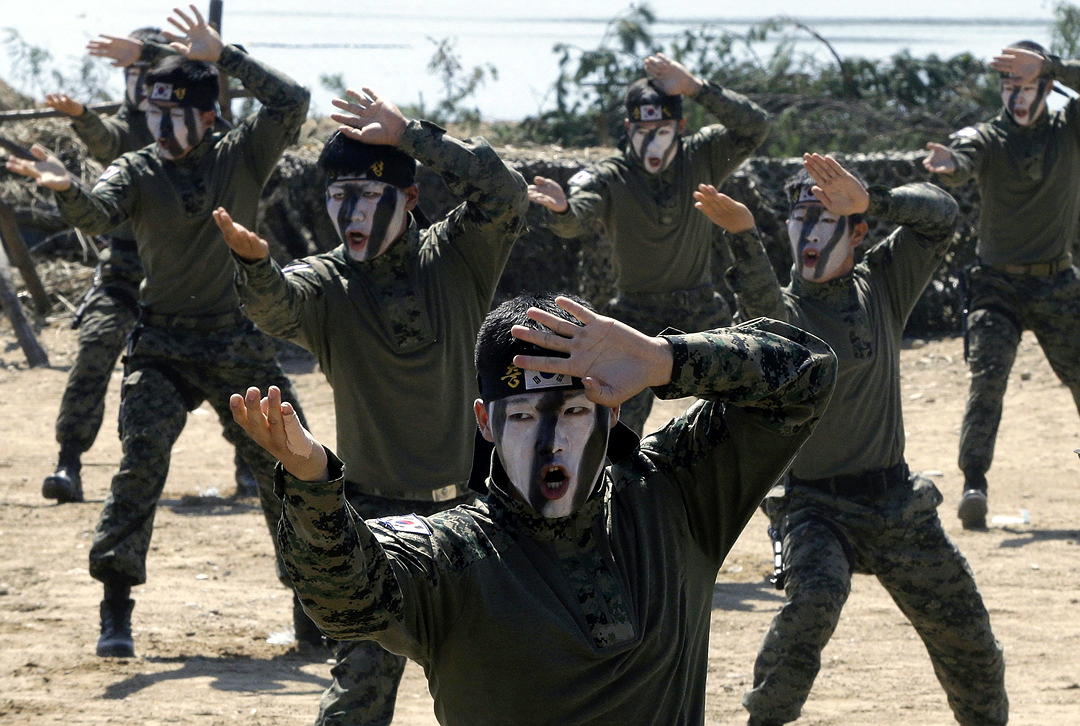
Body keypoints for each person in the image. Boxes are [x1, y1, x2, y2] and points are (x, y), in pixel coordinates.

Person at [232, 291, 835, 725]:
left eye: (573, 412)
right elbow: (345, 602)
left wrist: (664, 360)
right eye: (523, 418)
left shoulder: (675, 494)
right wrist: (313, 483)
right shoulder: (454, 554)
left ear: (613, 411)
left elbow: (808, 373)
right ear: (485, 422)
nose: (551, 442)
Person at [212, 84, 528, 726]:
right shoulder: (329, 283)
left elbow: (505, 193)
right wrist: (254, 267)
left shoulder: (458, 253)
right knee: (360, 686)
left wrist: (410, 135)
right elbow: (278, 306)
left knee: (496, 684)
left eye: (367, 195)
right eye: (337, 196)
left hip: (477, 506)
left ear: (409, 199)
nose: (349, 212)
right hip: (377, 517)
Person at [5, 5, 311, 659]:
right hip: (163, 344)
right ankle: (116, 610)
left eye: (176, 114)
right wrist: (65, 189)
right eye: (151, 112)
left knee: (294, 471)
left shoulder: (243, 153)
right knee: (139, 466)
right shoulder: (139, 169)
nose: (160, 126)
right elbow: (97, 209)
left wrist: (223, 57)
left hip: (238, 342)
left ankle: (313, 606)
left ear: (209, 114)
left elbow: (292, 101)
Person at [696, 154, 1008, 725]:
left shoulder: (883, 282)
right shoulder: (788, 311)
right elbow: (765, 315)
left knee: (969, 639)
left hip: (896, 503)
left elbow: (944, 215)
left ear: (857, 232)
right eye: (799, 221)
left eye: (825, 220)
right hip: (815, 508)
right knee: (812, 603)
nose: (807, 235)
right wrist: (744, 238)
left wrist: (875, 201)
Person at [39, 26, 255, 503]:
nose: (138, 85)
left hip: (200, 276)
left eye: (146, 71)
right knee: (96, 346)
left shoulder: (201, 125)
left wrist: (154, 56)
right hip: (126, 269)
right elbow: (107, 141)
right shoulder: (134, 126)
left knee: (245, 363)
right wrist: (80, 115)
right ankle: (69, 460)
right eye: (131, 74)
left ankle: (251, 467)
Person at [527, 52, 771, 435]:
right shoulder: (613, 173)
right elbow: (579, 216)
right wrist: (562, 211)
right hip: (636, 314)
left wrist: (695, 87)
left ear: (680, 126)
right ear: (629, 128)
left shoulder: (702, 155)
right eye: (642, 133)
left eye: (661, 131)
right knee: (613, 419)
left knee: (741, 402)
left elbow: (755, 127)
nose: (651, 143)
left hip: (700, 306)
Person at [923, 41, 1080, 529]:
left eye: (1027, 85)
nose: (1015, 96)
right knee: (987, 380)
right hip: (997, 285)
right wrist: (952, 165)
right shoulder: (989, 136)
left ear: (1048, 88)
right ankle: (975, 483)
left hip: (1057, 280)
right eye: (1008, 85)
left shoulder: (1068, 127)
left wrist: (1052, 65)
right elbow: (966, 154)